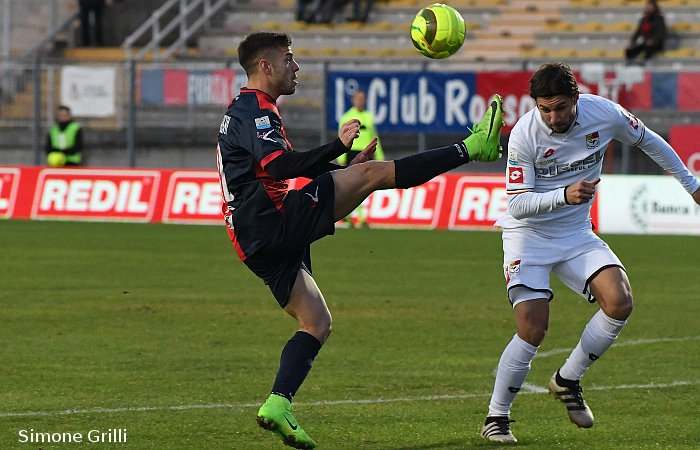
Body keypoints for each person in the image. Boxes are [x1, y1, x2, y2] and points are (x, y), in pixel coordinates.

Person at [217, 31, 504, 449]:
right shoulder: (255, 109)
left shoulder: (245, 110)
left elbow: (276, 168)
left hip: (252, 237)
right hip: (269, 220)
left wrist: (342, 166)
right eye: (289, 59)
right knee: (374, 176)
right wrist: (338, 149)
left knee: (316, 322)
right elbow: (278, 167)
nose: (295, 67)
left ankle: (278, 404)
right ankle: (474, 147)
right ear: (266, 66)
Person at [480, 62, 700, 444]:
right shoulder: (523, 135)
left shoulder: (605, 114)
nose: (553, 117)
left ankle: (568, 379)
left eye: (560, 108)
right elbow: (516, 204)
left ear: (576, 99)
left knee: (620, 300)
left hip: (574, 232)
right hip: (527, 236)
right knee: (532, 329)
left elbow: (649, 141)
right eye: (544, 108)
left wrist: (691, 185)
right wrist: (564, 194)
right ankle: (496, 417)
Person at [336, 89, 384, 227]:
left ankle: (360, 218)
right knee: (352, 186)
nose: (360, 101)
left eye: (362, 98)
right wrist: (341, 157)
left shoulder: (369, 117)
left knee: (364, 186)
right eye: (358, 98)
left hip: (366, 153)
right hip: (352, 153)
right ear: (353, 100)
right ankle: (351, 216)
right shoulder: (347, 117)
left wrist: (379, 153)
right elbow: (341, 138)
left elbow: (374, 135)